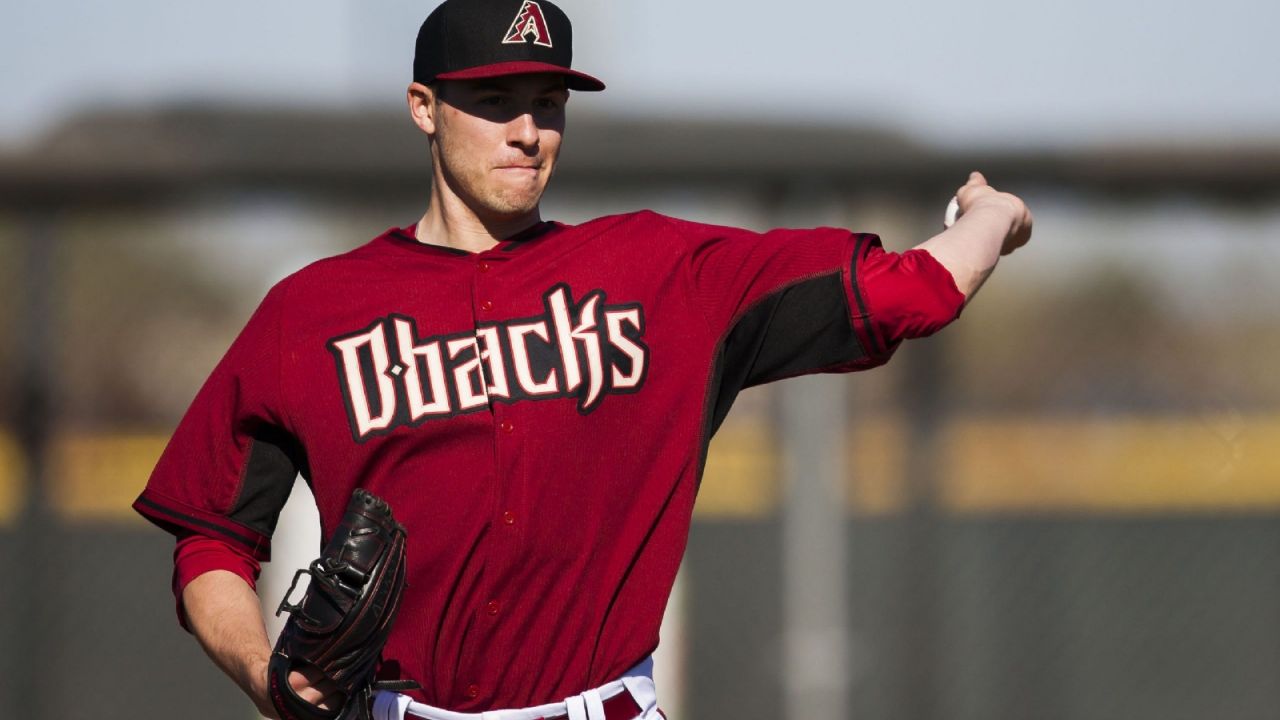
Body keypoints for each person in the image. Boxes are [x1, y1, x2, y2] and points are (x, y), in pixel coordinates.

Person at [132, 0, 1032, 718]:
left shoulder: (661, 275)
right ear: (423, 108)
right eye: (494, 101)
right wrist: (262, 675)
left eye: (549, 103)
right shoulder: (314, 311)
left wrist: (993, 218)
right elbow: (210, 533)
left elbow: (909, 291)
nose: (528, 129)